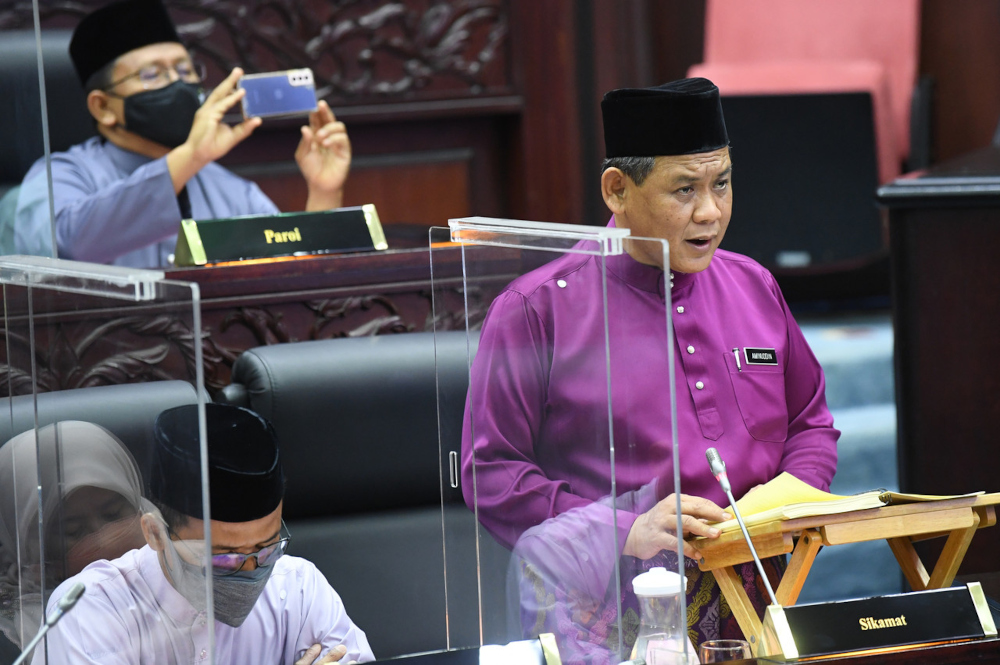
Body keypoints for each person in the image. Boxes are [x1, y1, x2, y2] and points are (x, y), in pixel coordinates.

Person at [462, 78, 839, 661]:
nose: (710, 211)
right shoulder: (538, 309)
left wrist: (790, 504)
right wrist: (621, 530)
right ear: (617, 190)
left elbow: (811, 425)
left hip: (759, 588)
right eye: (683, 189)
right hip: (610, 605)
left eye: (722, 183)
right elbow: (491, 474)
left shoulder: (753, 284)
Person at [13, 0, 351, 268]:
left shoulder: (232, 191)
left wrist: (323, 194)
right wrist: (190, 157)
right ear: (103, 107)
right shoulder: (60, 176)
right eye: (152, 75)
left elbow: (297, 283)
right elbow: (68, 246)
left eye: (185, 70)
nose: (178, 84)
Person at [36, 404, 373, 664]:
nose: (252, 570)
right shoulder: (91, 611)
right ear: (155, 534)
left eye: (267, 548)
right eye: (224, 557)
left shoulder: (298, 588)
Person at [0, 422, 148, 662]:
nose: (102, 536)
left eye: (113, 515)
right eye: (73, 530)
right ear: (31, 545)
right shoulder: (22, 634)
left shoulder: (184, 565)